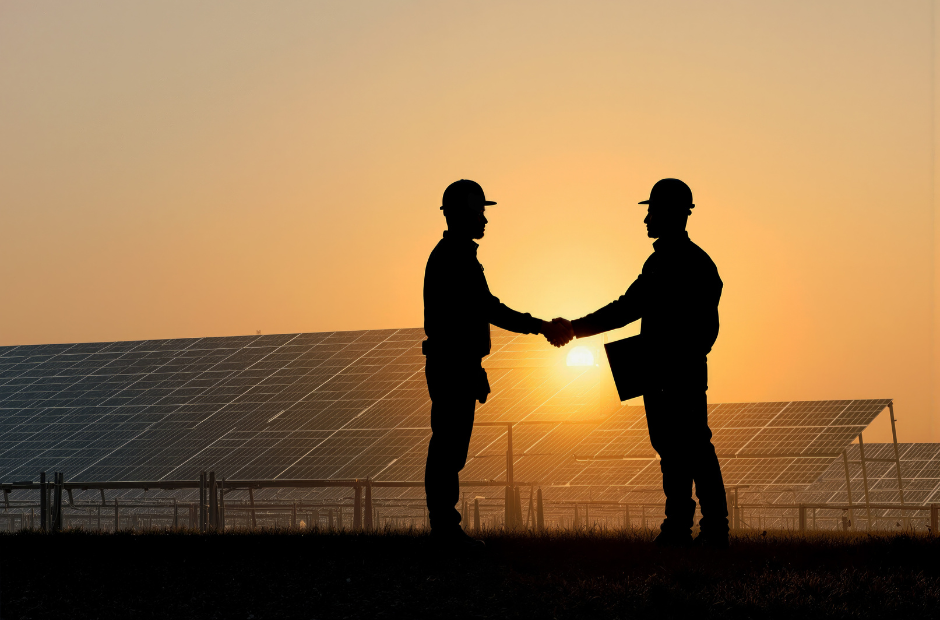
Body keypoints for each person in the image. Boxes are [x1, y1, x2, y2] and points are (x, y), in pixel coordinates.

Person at [556, 178, 729, 549]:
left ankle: (706, 527)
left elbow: (630, 309)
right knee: (676, 448)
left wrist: (576, 329)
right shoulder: (677, 262)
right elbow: (636, 309)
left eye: (651, 211)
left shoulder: (676, 264)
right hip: (668, 371)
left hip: (672, 373)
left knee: (691, 447)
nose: (646, 219)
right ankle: (686, 527)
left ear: (670, 214)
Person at [423, 179, 572, 547]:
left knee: (449, 446)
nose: (485, 220)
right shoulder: (456, 259)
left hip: (456, 363)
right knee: (448, 448)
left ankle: (444, 526)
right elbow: (489, 309)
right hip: (453, 364)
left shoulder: (455, 256)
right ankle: (445, 529)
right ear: (465, 214)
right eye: (480, 213)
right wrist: (541, 327)